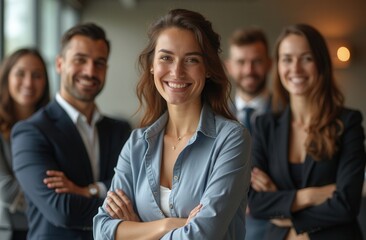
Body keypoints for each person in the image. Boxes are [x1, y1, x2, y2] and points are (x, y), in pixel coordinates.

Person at [93, 8, 251, 240]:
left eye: (191, 59)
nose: (177, 71)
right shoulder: (137, 143)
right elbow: (101, 230)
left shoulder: (232, 139)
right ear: (152, 65)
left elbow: (202, 236)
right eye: (166, 58)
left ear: (207, 69)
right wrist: (166, 225)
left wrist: (134, 231)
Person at [11, 23, 131, 240]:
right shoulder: (30, 132)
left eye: (99, 63)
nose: (90, 71)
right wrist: (120, 204)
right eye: (80, 60)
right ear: (59, 63)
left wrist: (89, 191)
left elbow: (134, 194)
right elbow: (62, 210)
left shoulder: (120, 130)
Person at [248, 23, 366, 240]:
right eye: (287, 59)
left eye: (307, 58)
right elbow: (254, 203)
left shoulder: (348, 122)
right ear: (278, 66)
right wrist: (310, 195)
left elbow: (347, 204)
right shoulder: (265, 125)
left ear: (321, 63)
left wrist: (284, 211)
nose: (296, 69)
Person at [226, 27, 272, 239]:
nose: (249, 69)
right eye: (241, 62)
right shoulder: (213, 116)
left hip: (273, 224)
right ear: (229, 66)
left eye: (257, 61)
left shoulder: (289, 113)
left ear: (270, 63)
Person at [0, 48, 50, 240]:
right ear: (7, 77)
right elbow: (6, 190)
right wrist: (53, 200)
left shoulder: (54, 125)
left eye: (37, 75)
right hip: (10, 231)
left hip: (51, 229)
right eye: (20, 73)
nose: (29, 82)